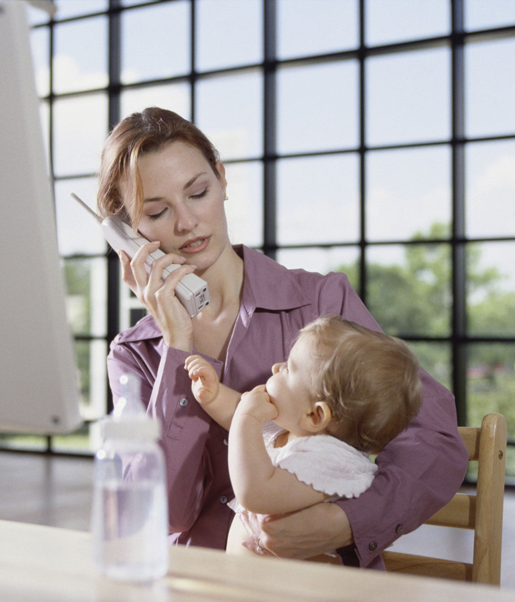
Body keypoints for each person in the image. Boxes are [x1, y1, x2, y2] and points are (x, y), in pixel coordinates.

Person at [98, 106, 467, 569]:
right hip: (200, 584)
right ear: (129, 236)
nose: (187, 223)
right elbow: (161, 512)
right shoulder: (134, 354)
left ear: (222, 179)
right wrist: (177, 344)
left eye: (198, 193)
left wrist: (346, 521)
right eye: (157, 212)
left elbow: (433, 435)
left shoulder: (320, 302)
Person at [184, 316, 423, 556]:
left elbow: (254, 494)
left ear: (315, 415)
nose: (276, 367)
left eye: (289, 368)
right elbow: (239, 414)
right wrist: (214, 396)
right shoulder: (292, 430)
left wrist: (248, 418)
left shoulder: (330, 459)